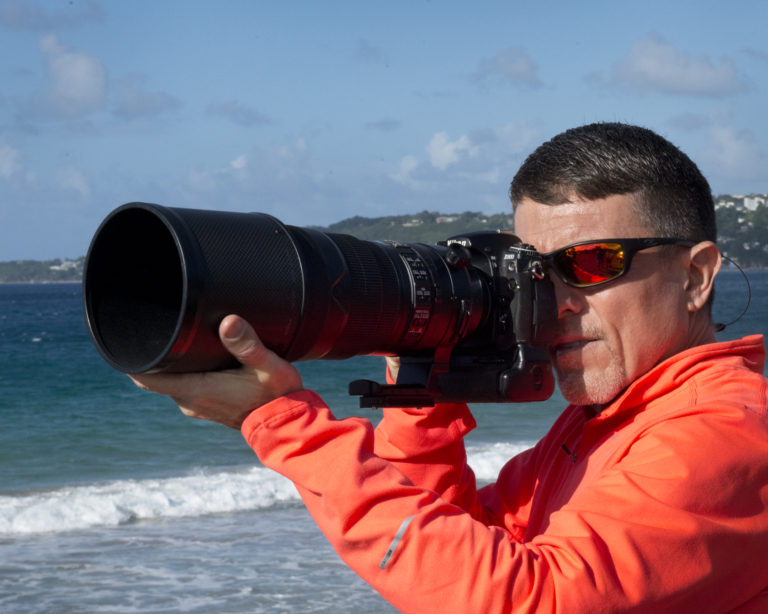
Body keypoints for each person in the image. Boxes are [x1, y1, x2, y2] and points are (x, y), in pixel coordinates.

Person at [132, 122, 768, 613]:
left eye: (592, 263)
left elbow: (523, 600)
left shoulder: (724, 431)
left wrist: (280, 424)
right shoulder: (601, 427)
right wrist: (423, 385)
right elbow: (448, 564)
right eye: (536, 273)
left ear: (695, 275)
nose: (556, 301)